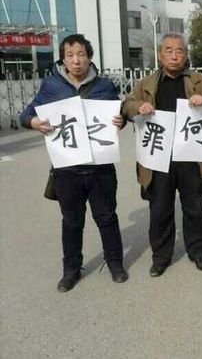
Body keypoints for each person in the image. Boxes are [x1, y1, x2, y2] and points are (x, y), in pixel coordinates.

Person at [20, 34, 128, 292]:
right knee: (71, 222)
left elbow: (119, 114)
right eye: (70, 55)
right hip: (67, 169)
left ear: (89, 57)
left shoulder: (105, 86)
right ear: (63, 60)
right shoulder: (51, 86)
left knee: (107, 217)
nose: (76, 60)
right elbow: (26, 114)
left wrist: (121, 121)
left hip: (101, 168)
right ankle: (71, 269)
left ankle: (115, 262)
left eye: (81, 54)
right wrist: (33, 122)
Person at [123, 33, 202, 276]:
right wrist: (138, 106)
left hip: (190, 154)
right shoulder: (147, 83)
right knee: (160, 209)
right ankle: (161, 257)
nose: (174, 55)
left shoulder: (199, 80)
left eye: (179, 51)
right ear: (160, 55)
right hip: (158, 157)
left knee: (195, 207)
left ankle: (198, 252)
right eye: (168, 51)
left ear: (186, 55)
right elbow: (126, 105)